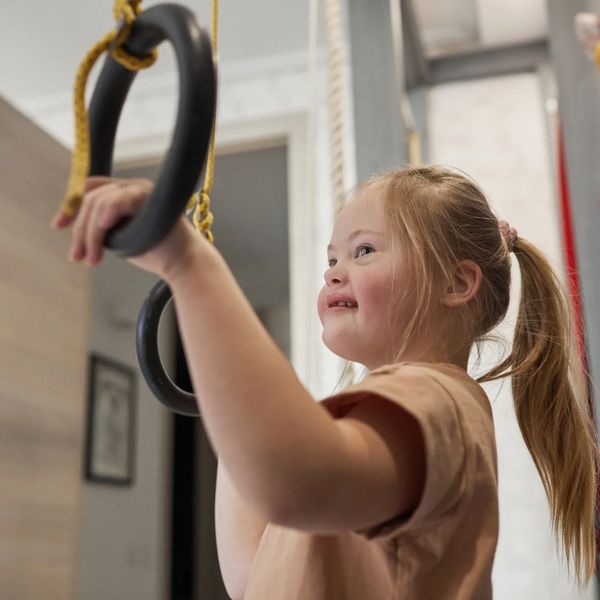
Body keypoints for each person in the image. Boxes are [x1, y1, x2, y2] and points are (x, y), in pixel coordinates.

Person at [51, 164, 597, 599]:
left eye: (363, 251)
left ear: (456, 282)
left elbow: (290, 484)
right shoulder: (387, 416)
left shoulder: (438, 399)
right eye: (331, 258)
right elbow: (253, 580)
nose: (334, 271)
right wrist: (234, 404)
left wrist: (191, 265)